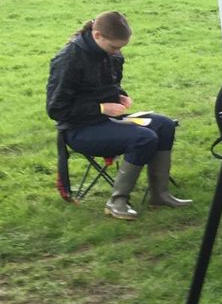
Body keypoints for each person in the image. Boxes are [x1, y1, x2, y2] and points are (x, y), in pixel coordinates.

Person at [46, 11, 190, 220]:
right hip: (78, 130)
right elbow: (56, 109)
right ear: (97, 35)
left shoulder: (111, 54)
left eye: (121, 47)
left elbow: (111, 85)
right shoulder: (68, 59)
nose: (117, 51)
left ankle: (159, 195)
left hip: (106, 121)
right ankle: (117, 202)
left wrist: (120, 95)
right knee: (144, 137)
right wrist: (101, 108)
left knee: (164, 125)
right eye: (114, 47)